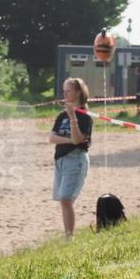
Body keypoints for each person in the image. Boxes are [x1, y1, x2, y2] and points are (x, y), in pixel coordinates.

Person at [49, 78, 93, 240]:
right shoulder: (62, 115)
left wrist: (73, 117)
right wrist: (68, 140)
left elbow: (78, 139)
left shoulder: (85, 117)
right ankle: (68, 234)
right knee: (62, 199)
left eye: (68, 91)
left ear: (78, 92)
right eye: (64, 91)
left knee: (66, 198)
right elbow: (52, 137)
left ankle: (69, 236)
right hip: (60, 159)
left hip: (76, 160)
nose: (65, 94)